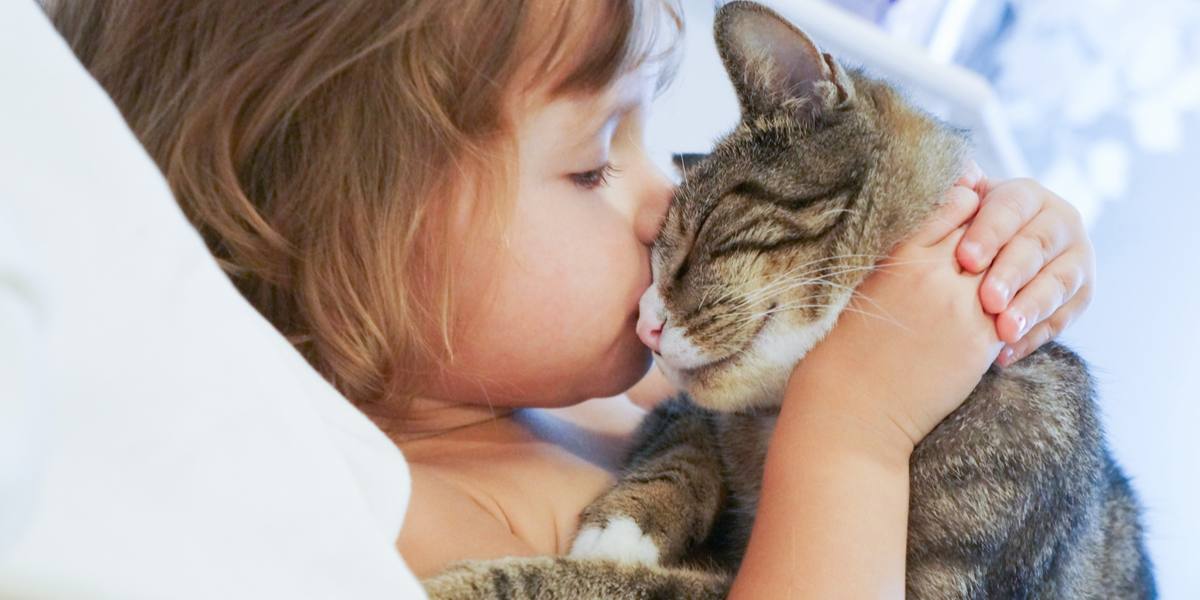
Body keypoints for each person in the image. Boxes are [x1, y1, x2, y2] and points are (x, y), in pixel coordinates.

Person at [47, 0, 1095, 596]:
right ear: (353, 226)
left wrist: (1005, 249)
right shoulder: (423, 517)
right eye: (595, 166)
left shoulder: (602, 407)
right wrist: (853, 433)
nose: (667, 202)